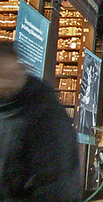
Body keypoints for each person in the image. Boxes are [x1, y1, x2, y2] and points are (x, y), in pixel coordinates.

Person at [0, 40, 81, 201]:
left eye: (10, 76)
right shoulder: (9, 109)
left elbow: (57, 184)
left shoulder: (47, 116)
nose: (4, 83)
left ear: (22, 70)